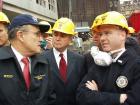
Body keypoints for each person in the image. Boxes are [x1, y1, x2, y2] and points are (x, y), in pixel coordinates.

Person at [77, 11, 140, 105]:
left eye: (107, 33)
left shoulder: (135, 65)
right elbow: (81, 96)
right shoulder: (98, 64)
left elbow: (134, 101)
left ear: (122, 35)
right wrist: (118, 98)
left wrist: (97, 95)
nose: (102, 38)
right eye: (101, 34)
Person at [0, 14, 56, 105]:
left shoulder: (44, 62)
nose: (41, 39)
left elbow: (51, 98)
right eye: (37, 34)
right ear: (21, 35)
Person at [44, 17, 86, 105]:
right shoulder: (41, 59)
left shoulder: (80, 60)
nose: (58, 38)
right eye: (55, 34)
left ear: (71, 39)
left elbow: (82, 88)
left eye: (62, 35)